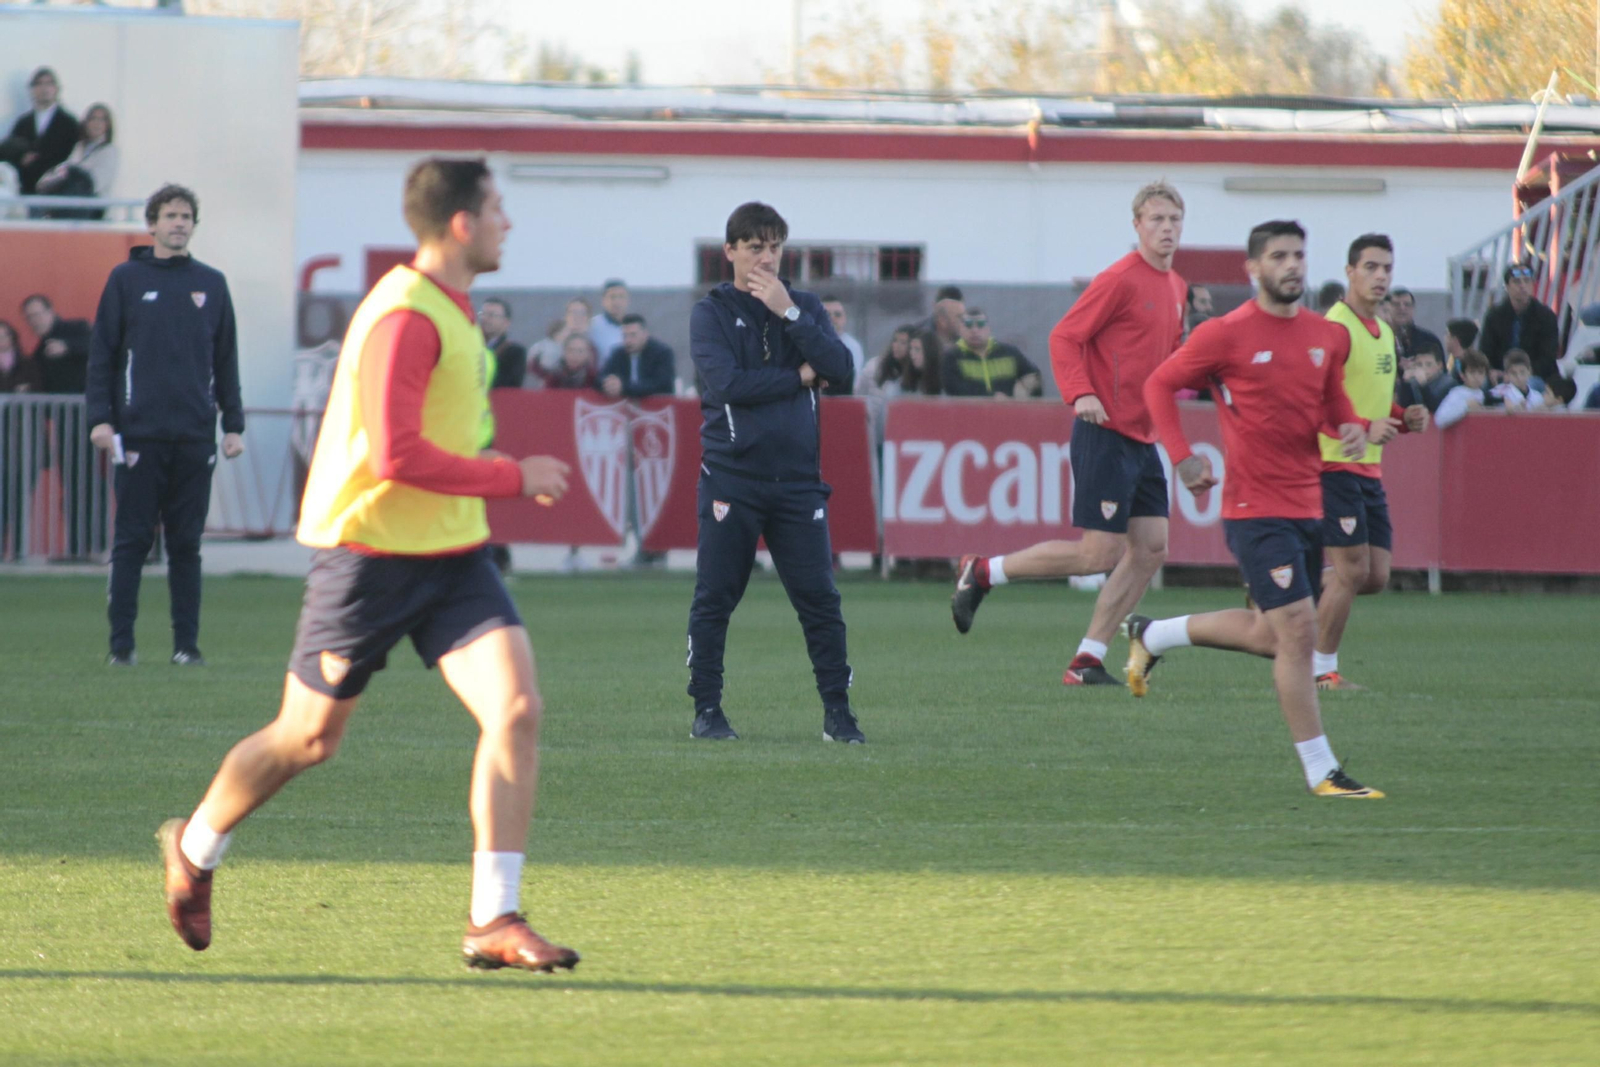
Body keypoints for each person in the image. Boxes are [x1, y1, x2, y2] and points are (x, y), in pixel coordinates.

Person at [154, 157, 580, 973]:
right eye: (498, 209)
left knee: (518, 708)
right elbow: (394, 454)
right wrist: (513, 477)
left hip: (452, 553)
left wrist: (488, 484)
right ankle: (196, 845)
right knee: (308, 738)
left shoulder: (452, 309)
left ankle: (493, 917)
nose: (507, 223)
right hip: (370, 556)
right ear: (462, 223)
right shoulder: (406, 314)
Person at [1125, 219, 1386, 799]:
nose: (1292, 265)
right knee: (1299, 631)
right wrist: (1182, 456)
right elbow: (1158, 386)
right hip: (1253, 508)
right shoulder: (1225, 334)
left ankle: (1154, 634)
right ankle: (1323, 771)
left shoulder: (1327, 336)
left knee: (1275, 636)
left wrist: (1347, 427)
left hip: (1307, 504)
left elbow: (1329, 404)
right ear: (1253, 269)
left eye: (1298, 254)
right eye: (1278, 256)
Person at [950, 181, 1187, 688]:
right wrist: (1080, 392)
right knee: (1096, 555)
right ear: (1137, 226)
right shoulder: (1120, 279)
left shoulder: (1177, 286)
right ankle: (984, 572)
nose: (1166, 228)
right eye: (1157, 219)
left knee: (1151, 549)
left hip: (1142, 439)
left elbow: (1166, 358)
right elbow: (1065, 336)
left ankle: (1087, 659)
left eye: (1174, 219)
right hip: (1103, 431)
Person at [684, 200, 861, 744]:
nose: (766, 257)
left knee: (820, 601)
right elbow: (728, 386)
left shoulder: (801, 304)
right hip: (732, 478)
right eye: (755, 246)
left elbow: (843, 373)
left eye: (775, 247)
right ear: (731, 251)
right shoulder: (710, 312)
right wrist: (799, 376)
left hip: (797, 481)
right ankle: (707, 710)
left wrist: (789, 313)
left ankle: (838, 712)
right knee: (716, 596)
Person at [85, 185, 245, 666]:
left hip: (195, 435)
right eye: (170, 216)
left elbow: (226, 359)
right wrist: (100, 420)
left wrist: (232, 424)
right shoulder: (126, 279)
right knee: (132, 541)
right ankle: (122, 647)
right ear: (151, 224)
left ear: (194, 225)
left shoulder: (212, 284)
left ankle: (186, 647)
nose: (179, 223)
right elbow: (102, 358)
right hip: (139, 434)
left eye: (186, 216)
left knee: (186, 546)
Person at [1312, 234, 1429, 691]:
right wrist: (1362, 426)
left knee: (1376, 576)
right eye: (1372, 267)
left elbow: (1376, 404)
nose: (1381, 277)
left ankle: (1287, 590)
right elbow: (1315, 405)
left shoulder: (1383, 334)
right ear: (1350, 272)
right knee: (1352, 571)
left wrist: (1404, 418)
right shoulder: (1335, 328)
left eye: (1387, 269)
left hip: (1368, 469)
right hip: (1333, 464)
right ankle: (1321, 670)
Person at [1, 67, 79, 194]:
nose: (44, 88)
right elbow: (8, 150)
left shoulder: (69, 123)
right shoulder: (23, 123)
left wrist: (39, 160)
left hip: (57, 191)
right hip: (25, 189)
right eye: (39, 84)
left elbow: (71, 155)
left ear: (56, 89)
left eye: (49, 83)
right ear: (32, 90)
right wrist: (21, 156)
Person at [35, 102, 117, 218]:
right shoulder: (79, 147)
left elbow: (95, 183)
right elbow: (63, 171)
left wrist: (72, 175)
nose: (97, 124)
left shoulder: (109, 151)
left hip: (93, 213)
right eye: (93, 119)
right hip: (68, 207)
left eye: (102, 120)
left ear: (108, 125)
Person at [1479, 265, 1561, 380]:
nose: (1522, 286)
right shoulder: (1494, 315)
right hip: (1500, 375)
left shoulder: (1546, 316)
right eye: (1517, 282)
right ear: (1507, 286)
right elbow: (1485, 352)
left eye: (1527, 281)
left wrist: (1520, 376)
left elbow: (1548, 358)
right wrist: (1492, 371)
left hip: (1535, 376)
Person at [939, 308, 1041, 398]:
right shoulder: (951, 357)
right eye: (968, 325)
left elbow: (1034, 376)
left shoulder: (1010, 353)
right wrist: (992, 398)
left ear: (988, 329)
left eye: (980, 324)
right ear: (960, 329)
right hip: (969, 416)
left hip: (1008, 415)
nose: (974, 330)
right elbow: (955, 391)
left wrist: (1023, 391)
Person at [21, 294, 91, 395]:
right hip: (62, 405)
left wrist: (67, 347)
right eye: (28, 317)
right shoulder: (39, 350)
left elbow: (101, 348)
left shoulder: (78, 327)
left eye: (36, 315)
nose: (34, 321)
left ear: (51, 312)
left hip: (86, 401)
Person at [599, 313, 676, 398]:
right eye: (624, 335)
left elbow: (663, 384)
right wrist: (609, 384)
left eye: (633, 335)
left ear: (645, 334)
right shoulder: (618, 353)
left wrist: (624, 387)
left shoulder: (662, 353)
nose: (628, 340)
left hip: (655, 408)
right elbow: (600, 378)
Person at [529, 297, 590, 380]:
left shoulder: (593, 344)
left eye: (582, 313)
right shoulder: (547, 345)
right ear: (566, 316)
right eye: (573, 312)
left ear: (588, 317)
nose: (577, 317)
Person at [1435, 350, 1496, 428]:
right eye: (1472, 372)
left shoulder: (1483, 394)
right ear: (1463, 375)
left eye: (1480, 372)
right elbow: (1439, 419)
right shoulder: (1457, 393)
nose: (1476, 377)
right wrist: (1466, 406)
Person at [1387, 287, 1444, 368]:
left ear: (1413, 308)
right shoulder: (1379, 338)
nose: (1402, 308)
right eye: (1396, 304)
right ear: (1387, 308)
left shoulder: (1429, 340)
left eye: (1407, 304)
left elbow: (1441, 374)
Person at [478, 298, 526, 390]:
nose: (485, 319)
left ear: (506, 322)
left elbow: (511, 386)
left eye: (492, 315)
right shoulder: (470, 346)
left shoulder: (514, 352)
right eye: (483, 314)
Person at [820, 294, 864, 393]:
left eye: (837, 315)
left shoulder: (853, 347)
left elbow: (854, 384)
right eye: (826, 314)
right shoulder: (806, 343)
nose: (832, 319)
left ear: (844, 318)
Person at [1491, 349, 1561, 410]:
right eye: (1513, 373)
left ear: (1529, 371)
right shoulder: (1498, 393)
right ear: (1507, 374)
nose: (1519, 377)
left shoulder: (1537, 397)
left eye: (1522, 372)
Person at [1395, 348, 1457, 413]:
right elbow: (1405, 408)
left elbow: (1435, 409)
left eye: (1429, 364)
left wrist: (1423, 384)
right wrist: (1405, 384)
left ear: (1439, 365)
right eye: (1419, 364)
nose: (1424, 368)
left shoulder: (1449, 383)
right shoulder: (1414, 383)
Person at [589, 279, 629, 362]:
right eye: (612, 297)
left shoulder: (634, 327)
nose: (617, 301)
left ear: (627, 300)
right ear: (603, 300)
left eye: (621, 296)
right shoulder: (593, 325)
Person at [0, 320, 42, 393]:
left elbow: (38, 384)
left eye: (5, 335)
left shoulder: (27, 362)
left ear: (12, 337)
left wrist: (28, 388)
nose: (2, 339)